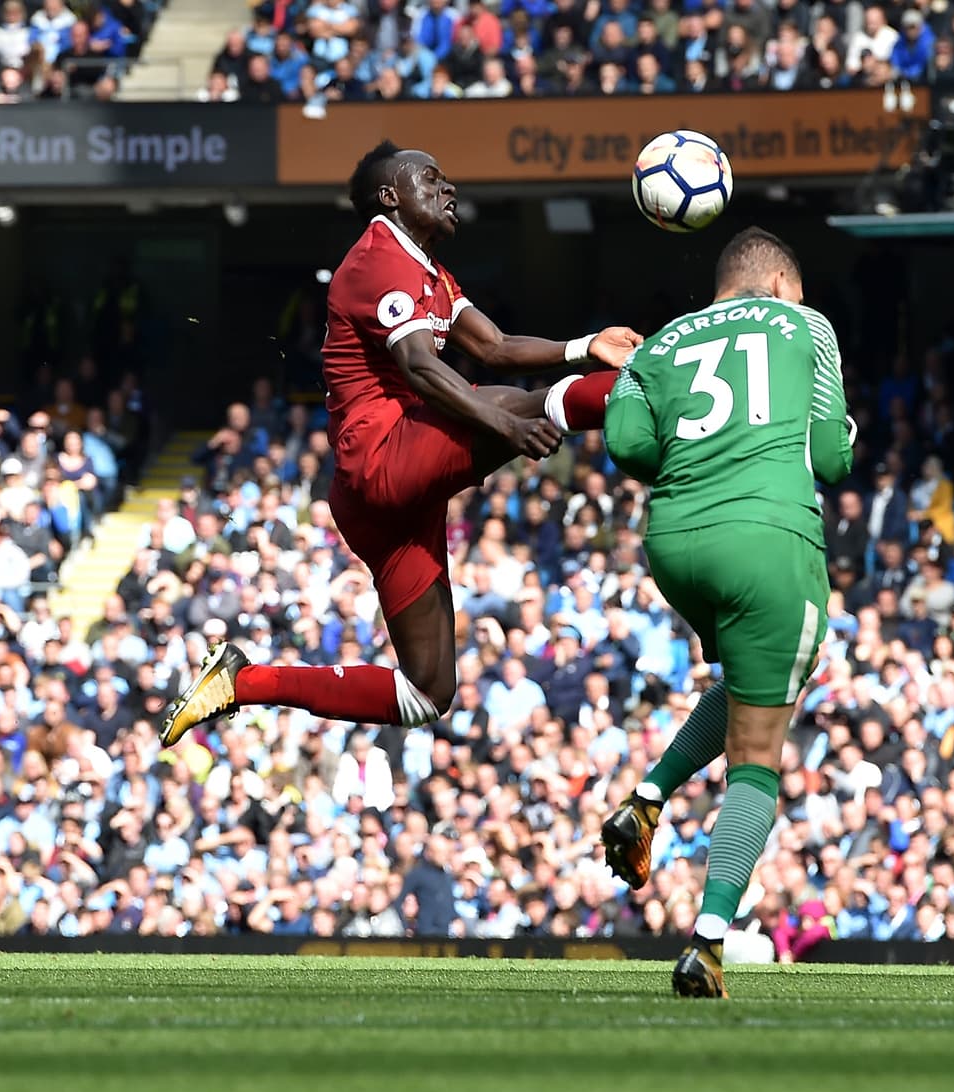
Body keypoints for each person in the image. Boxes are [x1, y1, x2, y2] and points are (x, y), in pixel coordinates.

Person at [160, 141, 639, 747]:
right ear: (391, 197)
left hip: (390, 500)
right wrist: (510, 430)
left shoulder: (426, 267)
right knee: (522, 404)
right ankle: (665, 387)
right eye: (431, 179)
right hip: (382, 461)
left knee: (427, 694)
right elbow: (419, 367)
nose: (449, 188)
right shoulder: (378, 259)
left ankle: (243, 683)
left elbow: (494, 346)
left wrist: (586, 344)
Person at [600, 226, 854, 996]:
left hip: (675, 543)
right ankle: (707, 943)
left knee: (753, 686)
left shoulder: (661, 343)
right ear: (779, 281)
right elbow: (832, 458)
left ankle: (648, 796)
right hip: (769, 537)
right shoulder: (804, 324)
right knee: (759, 751)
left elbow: (627, 447)